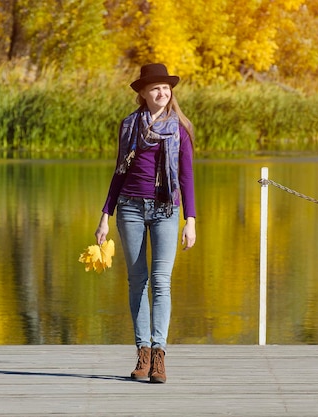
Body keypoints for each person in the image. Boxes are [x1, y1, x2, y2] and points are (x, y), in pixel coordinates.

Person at [95, 63, 196, 383]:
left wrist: (190, 219)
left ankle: (159, 355)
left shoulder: (179, 127)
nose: (162, 92)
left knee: (161, 281)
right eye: (155, 88)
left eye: (166, 88)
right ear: (142, 93)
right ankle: (142, 353)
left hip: (166, 210)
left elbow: (187, 177)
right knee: (137, 281)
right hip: (130, 209)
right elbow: (119, 172)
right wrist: (104, 216)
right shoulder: (128, 126)